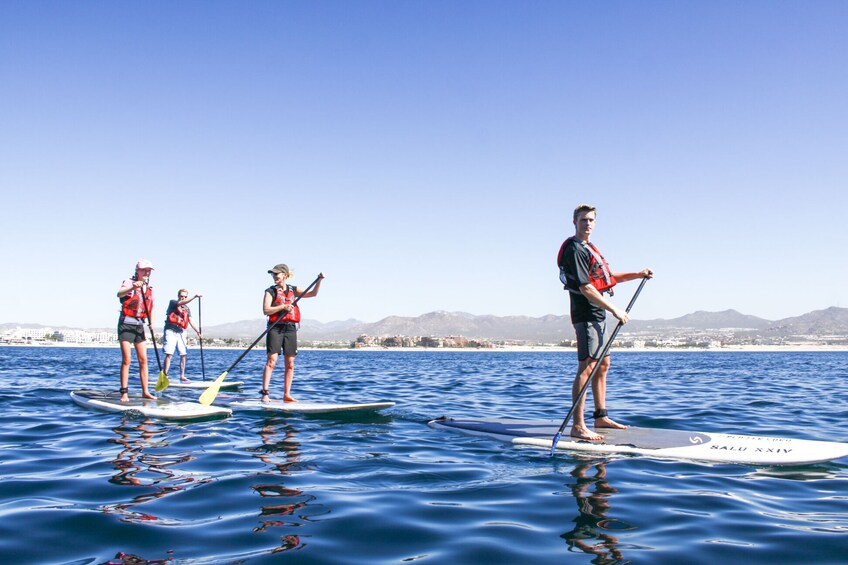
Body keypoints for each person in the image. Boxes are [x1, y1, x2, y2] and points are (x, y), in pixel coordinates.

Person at [558, 204, 653, 440]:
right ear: (575, 222)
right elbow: (586, 287)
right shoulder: (574, 249)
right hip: (586, 314)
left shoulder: (590, 248)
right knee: (587, 367)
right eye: (583, 220)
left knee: (603, 365)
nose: (587, 224)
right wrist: (615, 310)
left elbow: (607, 280)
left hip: (598, 314)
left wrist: (638, 274)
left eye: (591, 220)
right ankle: (578, 426)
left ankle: (600, 416)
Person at [261, 264, 323, 402]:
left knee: (290, 363)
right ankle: (265, 394)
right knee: (272, 361)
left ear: (284, 275)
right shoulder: (270, 291)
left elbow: (313, 294)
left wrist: (319, 281)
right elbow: (266, 310)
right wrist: (283, 307)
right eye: (273, 274)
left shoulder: (293, 290)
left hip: (290, 328)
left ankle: (287, 394)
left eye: (276, 274)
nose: (274, 277)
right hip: (275, 328)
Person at [116, 259, 157, 402]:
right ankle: (124, 393)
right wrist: (133, 287)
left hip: (139, 325)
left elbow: (150, 308)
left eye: (149, 271)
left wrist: (151, 323)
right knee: (127, 360)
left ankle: (145, 391)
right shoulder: (128, 282)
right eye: (144, 270)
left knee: (143, 360)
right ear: (137, 271)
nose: (147, 272)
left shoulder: (149, 288)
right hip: (126, 324)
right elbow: (119, 294)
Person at [162, 289, 202, 383]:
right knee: (169, 354)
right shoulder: (173, 302)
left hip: (181, 331)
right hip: (170, 330)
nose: (183, 298)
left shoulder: (187, 309)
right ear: (178, 296)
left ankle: (182, 375)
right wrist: (195, 296)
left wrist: (198, 331)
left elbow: (191, 320)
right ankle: (165, 375)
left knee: (183, 354)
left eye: (185, 296)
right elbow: (181, 302)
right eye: (181, 296)